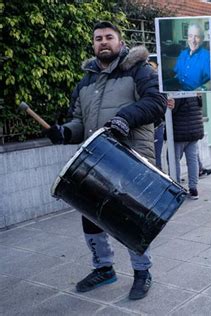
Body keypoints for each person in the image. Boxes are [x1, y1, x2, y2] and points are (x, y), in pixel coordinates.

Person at [45, 21, 166, 300]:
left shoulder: (139, 70)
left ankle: (142, 272)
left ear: (120, 42)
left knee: (130, 221)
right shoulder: (85, 80)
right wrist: (64, 132)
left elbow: (156, 102)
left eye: (109, 37)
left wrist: (125, 117)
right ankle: (103, 268)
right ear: (93, 44)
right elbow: (80, 121)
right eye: (98, 38)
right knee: (91, 216)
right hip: (94, 161)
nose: (103, 42)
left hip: (131, 158)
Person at [166, 96, 204, 199]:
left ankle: (176, 187)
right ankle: (193, 188)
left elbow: (170, 112)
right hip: (194, 132)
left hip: (179, 133)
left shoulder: (177, 94)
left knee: (174, 161)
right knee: (193, 161)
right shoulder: (194, 92)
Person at [172, 23, 211, 91]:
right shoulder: (182, 54)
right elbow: (176, 74)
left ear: (202, 39)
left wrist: (201, 89)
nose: (193, 40)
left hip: (195, 95)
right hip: (178, 91)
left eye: (197, 37)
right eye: (190, 36)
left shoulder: (207, 57)